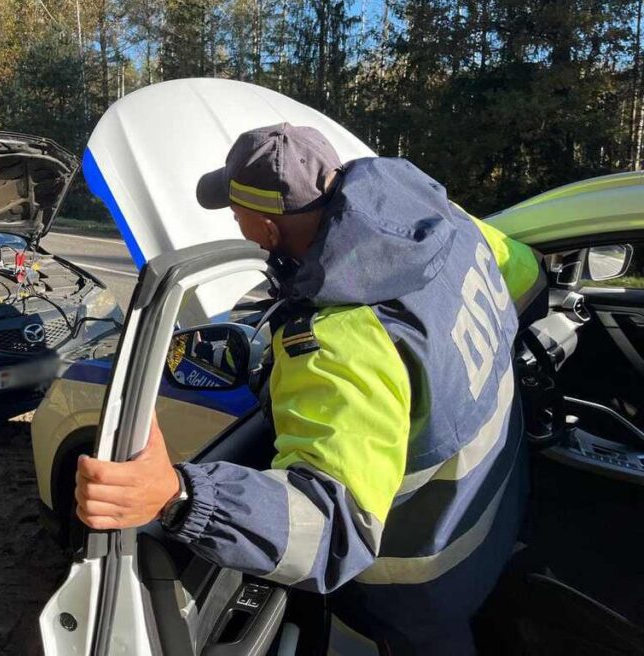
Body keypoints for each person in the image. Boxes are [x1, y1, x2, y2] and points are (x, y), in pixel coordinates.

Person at [74, 123, 547, 655]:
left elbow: (330, 523)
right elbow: (528, 279)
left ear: (269, 231)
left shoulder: (342, 339)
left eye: (237, 214)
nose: (237, 223)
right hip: (501, 498)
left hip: (425, 571)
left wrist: (178, 496)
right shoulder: (448, 227)